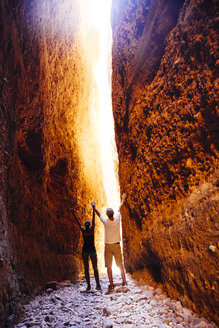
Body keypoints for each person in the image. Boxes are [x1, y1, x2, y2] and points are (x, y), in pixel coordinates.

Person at [92, 193, 127, 291]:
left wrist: (94, 207)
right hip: (116, 245)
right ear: (113, 214)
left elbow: (99, 214)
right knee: (120, 264)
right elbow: (120, 208)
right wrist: (123, 199)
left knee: (109, 266)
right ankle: (124, 281)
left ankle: (111, 284)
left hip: (108, 246)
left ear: (107, 215)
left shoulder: (106, 222)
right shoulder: (117, 219)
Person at [68, 205, 101, 291]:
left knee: (86, 269)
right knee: (95, 268)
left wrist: (73, 214)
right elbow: (94, 220)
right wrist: (93, 209)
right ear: (89, 225)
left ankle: (89, 286)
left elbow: (78, 223)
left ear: (85, 225)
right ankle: (98, 285)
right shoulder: (92, 230)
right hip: (92, 250)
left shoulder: (83, 231)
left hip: (85, 251)